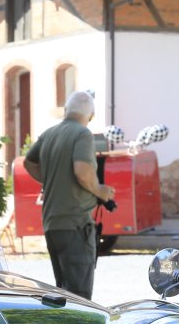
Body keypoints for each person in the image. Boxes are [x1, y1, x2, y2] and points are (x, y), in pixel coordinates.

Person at [23, 90, 115, 299]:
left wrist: (54, 180)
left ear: (66, 110)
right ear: (91, 115)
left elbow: (29, 163)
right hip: (76, 224)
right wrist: (100, 190)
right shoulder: (83, 134)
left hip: (52, 225)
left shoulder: (49, 134)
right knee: (79, 297)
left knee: (63, 293)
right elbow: (82, 171)